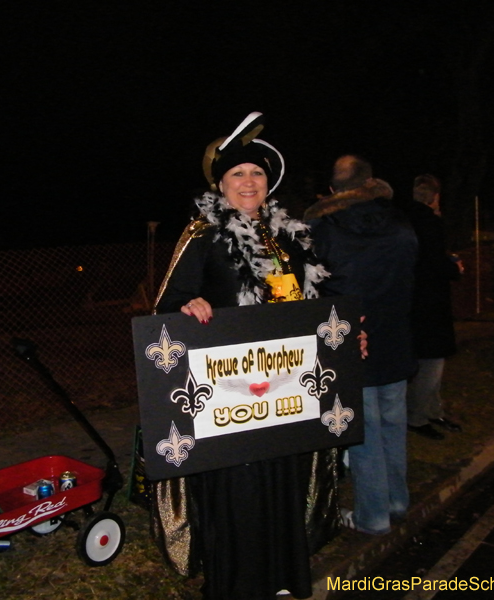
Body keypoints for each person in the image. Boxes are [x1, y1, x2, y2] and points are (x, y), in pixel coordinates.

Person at [150, 112, 333, 600]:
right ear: (221, 184)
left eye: (256, 173)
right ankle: (239, 585)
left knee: (283, 475)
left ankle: (281, 579)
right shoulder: (203, 233)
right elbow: (166, 306)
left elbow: (317, 304)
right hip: (229, 394)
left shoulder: (288, 237)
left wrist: (345, 336)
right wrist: (188, 306)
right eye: (238, 174)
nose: (249, 182)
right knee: (242, 485)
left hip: (287, 386)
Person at [305, 155, 417, 535]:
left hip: (349, 343)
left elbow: (314, 291)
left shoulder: (320, 229)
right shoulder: (402, 222)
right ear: (370, 182)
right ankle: (397, 500)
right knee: (392, 426)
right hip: (397, 340)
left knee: (363, 435)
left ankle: (374, 516)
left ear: (333, 190)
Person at [402, 174, 464, 441]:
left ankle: (432, 410)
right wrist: (455, 268)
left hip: (410, 300)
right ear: (435, 197)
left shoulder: (403, 221)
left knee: (426, 360)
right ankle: (417, 415)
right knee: (432, 362)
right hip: (430, 303)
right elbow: (434, 263)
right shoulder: (429, 223)